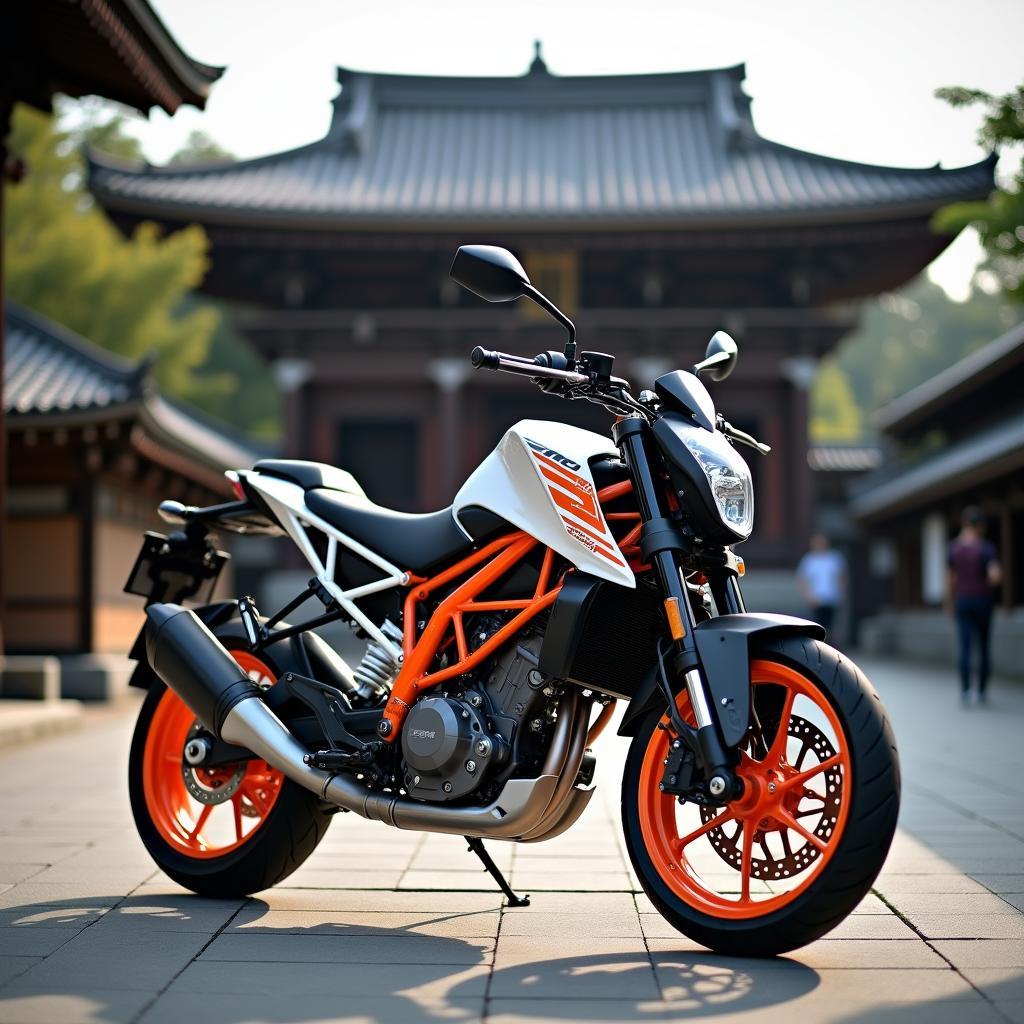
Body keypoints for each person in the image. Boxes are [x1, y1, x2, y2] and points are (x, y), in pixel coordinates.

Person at [947, 507, 1001, 705]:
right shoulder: (986, 548)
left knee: (965, 646)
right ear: (980, 526)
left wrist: (949, 602)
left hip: (963, 601)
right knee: (984, 646)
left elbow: (951, 579)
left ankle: (966, 690)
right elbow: (995, 576)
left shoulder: (955, 548)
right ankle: (982, 691)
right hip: (982, 601)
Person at [797, 534, 846, 636]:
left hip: (831, 599)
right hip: (816, 600)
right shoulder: (809, 560)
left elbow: (841, 578)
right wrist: (809, 597)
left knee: (830, 628)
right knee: (816, 627)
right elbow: (802, 581)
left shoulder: (834, 558)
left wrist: (841, 595)